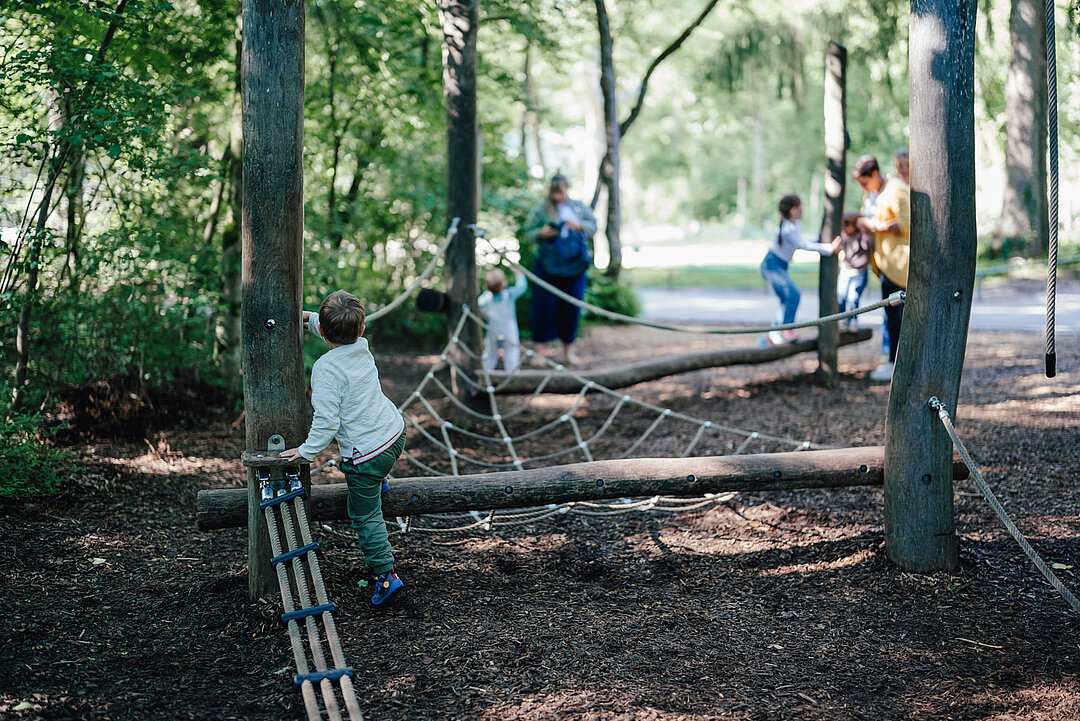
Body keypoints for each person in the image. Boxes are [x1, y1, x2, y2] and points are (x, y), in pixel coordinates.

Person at [280, 290, 407, 606]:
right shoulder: (361, 348)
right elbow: (334, 329)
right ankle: (378, 481)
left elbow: (327, 421)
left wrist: (307, 451)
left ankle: (385, 575)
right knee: (370, 474)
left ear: (322, 332)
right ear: (361, 330)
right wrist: (305, 317)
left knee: (364, 515)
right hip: (395, 434)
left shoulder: (326, 369)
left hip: (368, 457)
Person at [522, 173, 597, 366]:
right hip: (547, 267)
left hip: (575, 267)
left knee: (571, 308)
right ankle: (539, 352)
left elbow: (593, 225)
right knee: (543, 308)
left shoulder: (578, 208)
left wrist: (579, 226)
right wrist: (541, 233)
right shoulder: (541, 210)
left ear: (567, 190)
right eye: (555, 194)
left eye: (561, 193)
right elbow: (528, 232)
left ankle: (568, 352)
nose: (558, 197)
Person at [852, 153, 910, 382]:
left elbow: (906, 223)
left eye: (864, 182)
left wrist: (873, 226)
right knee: (890, 316)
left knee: (896, 316)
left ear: (874, 174)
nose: (863, 187)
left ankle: (895, 364)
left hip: (899, 265)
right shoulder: (873, 193)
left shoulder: (896, 190)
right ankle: (893, 361)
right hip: (885, 264)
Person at [758, 194, 839, 345]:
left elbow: (803, 241)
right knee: (793, 295)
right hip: (772, 265)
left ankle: (770, 337)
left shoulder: (794, 225)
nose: (802, 210)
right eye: (799, 207)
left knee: (786, 299)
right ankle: (785, 330)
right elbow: (803, 245)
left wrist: (822, 240)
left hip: (779, 265)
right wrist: (829, 248)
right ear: (792, 210)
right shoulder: (788, 228)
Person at [478, 268, 528, 371]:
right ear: (503, 283)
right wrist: (519, 275)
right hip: (509, 329)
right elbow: (522, 287)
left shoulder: (486, 298)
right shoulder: (509, 294)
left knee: (490, 353)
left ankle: (486, 373)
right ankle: (513, 373)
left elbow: (479, 307)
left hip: (492, 328)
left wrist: (484, 316)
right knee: (512, 351)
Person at [834, 211, 873, 330]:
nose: (845, 229)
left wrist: (864, 230)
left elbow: (867, 246)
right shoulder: (845, 237)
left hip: (858, 272)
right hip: (846, 271)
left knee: (853, 297)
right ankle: (842, 320)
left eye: (847, 226)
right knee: (841, 296)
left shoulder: (861, 236)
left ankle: (853, 320)